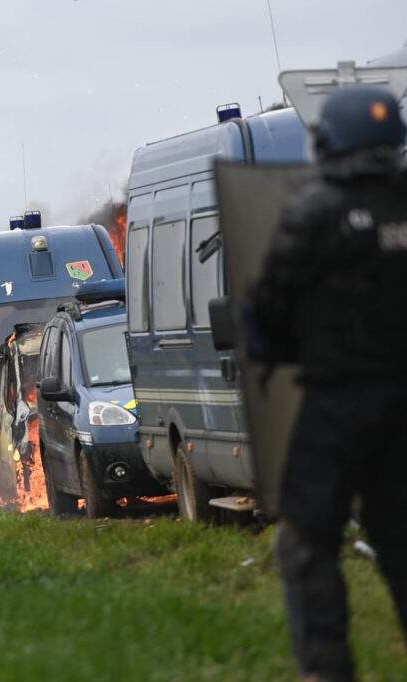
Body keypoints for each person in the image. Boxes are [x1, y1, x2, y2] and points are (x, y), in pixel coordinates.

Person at [249, 85, 407, 681]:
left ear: (328, 142)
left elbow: (271, 305)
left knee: (309, 537)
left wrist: (272, 348)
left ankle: (327, 667)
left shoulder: (315, 209)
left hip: (339, 404)